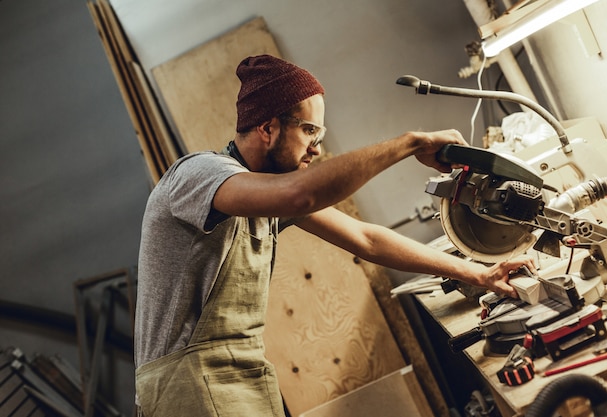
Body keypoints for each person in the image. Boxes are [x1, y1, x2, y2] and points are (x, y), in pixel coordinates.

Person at [134, 54, 536, 417]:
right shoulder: (199, 175)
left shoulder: (264, 194)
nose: (316, 150)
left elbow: (366, 239)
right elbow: (301, 193)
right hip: (188, 387)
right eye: (310, 132)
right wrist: (411, 142)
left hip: (241, 374)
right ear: (267, 127)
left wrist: (480, 274)